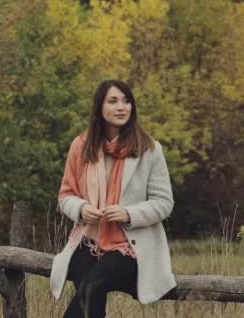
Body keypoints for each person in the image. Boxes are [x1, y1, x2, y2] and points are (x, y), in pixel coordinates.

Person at [49, 80, 176, 318]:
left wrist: (130, 214)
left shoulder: (150, 149)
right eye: (113, 101)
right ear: (99, 107)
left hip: (131, 247)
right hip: (88, 242)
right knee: (90, 301)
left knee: (90, 288)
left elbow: (164, 202)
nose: (122, 107)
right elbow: (66, 196)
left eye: (127, 101)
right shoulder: (81, 146)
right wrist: (82, 208)